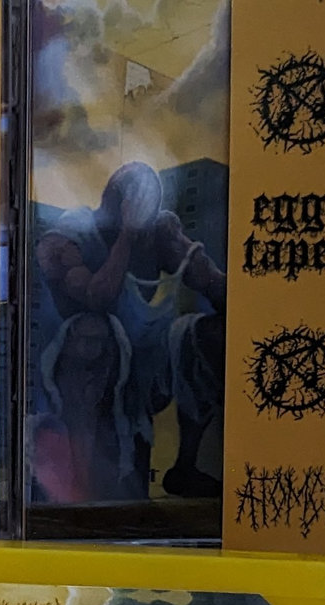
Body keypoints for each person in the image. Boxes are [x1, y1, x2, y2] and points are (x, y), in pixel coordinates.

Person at [33, 161, 226, 504]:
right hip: (87, 372)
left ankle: (184, 467)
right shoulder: (69, 237)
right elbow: (98, 298)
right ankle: (82, 485)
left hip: (149, 359)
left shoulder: (159, 233)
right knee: (94, 333)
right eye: (135, 200)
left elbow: (211, 282)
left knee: (211, 336)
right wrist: (126, 235)